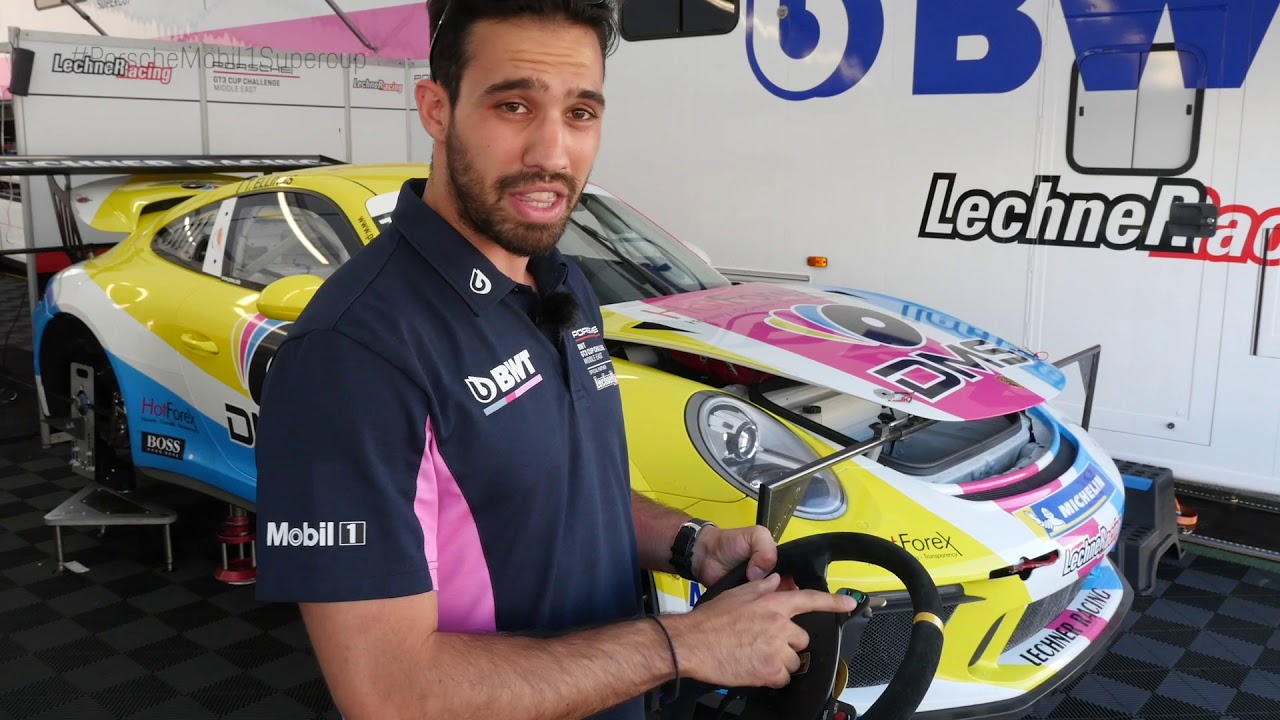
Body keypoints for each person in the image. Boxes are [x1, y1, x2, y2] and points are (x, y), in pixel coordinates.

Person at [252, 1, 859, 718]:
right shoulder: (354, 355)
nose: (552, 152)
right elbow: (389, 694)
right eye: (514, 105)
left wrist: (692, 545)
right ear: (436, 108)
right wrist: (682, 647)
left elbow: (560, 496)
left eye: (580, 112)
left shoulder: (558, 282)